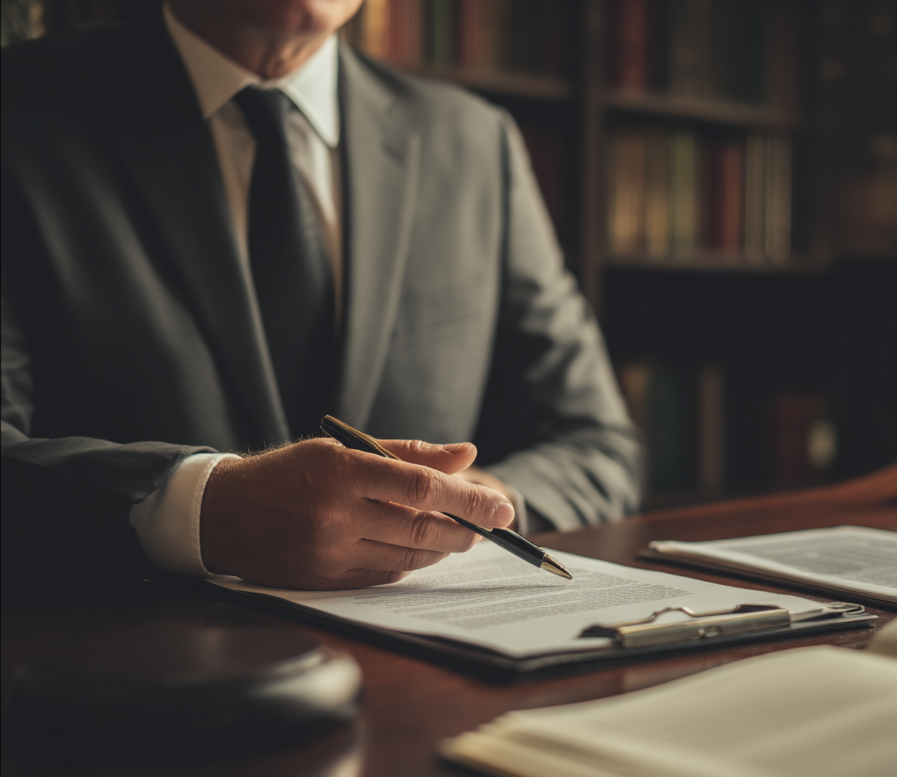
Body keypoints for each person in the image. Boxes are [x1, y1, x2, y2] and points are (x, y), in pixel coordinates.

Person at [1, 0, 642, 595]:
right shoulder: (20, 106)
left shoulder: (474, 141)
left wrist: (472, 507)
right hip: (114, 657)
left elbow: (596, 444)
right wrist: (202, 510)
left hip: (416, 656)